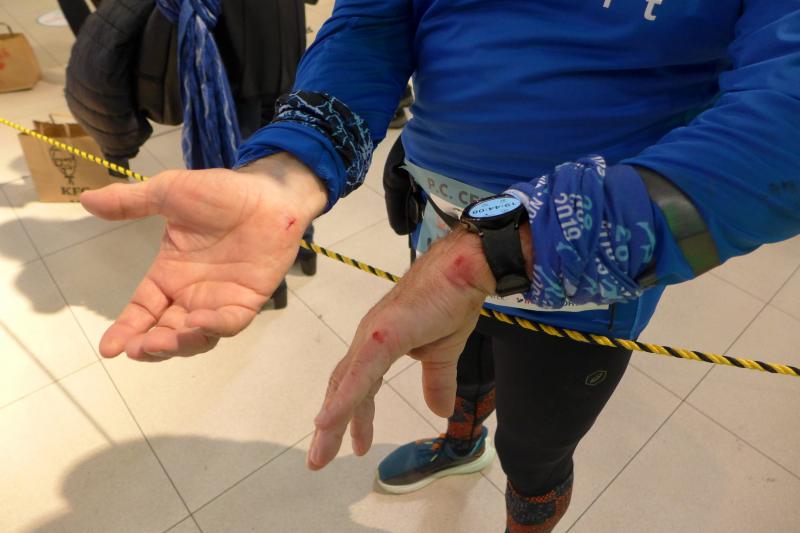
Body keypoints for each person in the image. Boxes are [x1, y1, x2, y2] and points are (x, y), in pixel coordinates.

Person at [80, 1, 800, 531]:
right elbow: (375, 20)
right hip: (439, 225)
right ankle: (460, 443)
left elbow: (784, 117)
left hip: (579, 277)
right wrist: (294, 162)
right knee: (458, 371)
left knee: (537, 446)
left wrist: (497, 249)